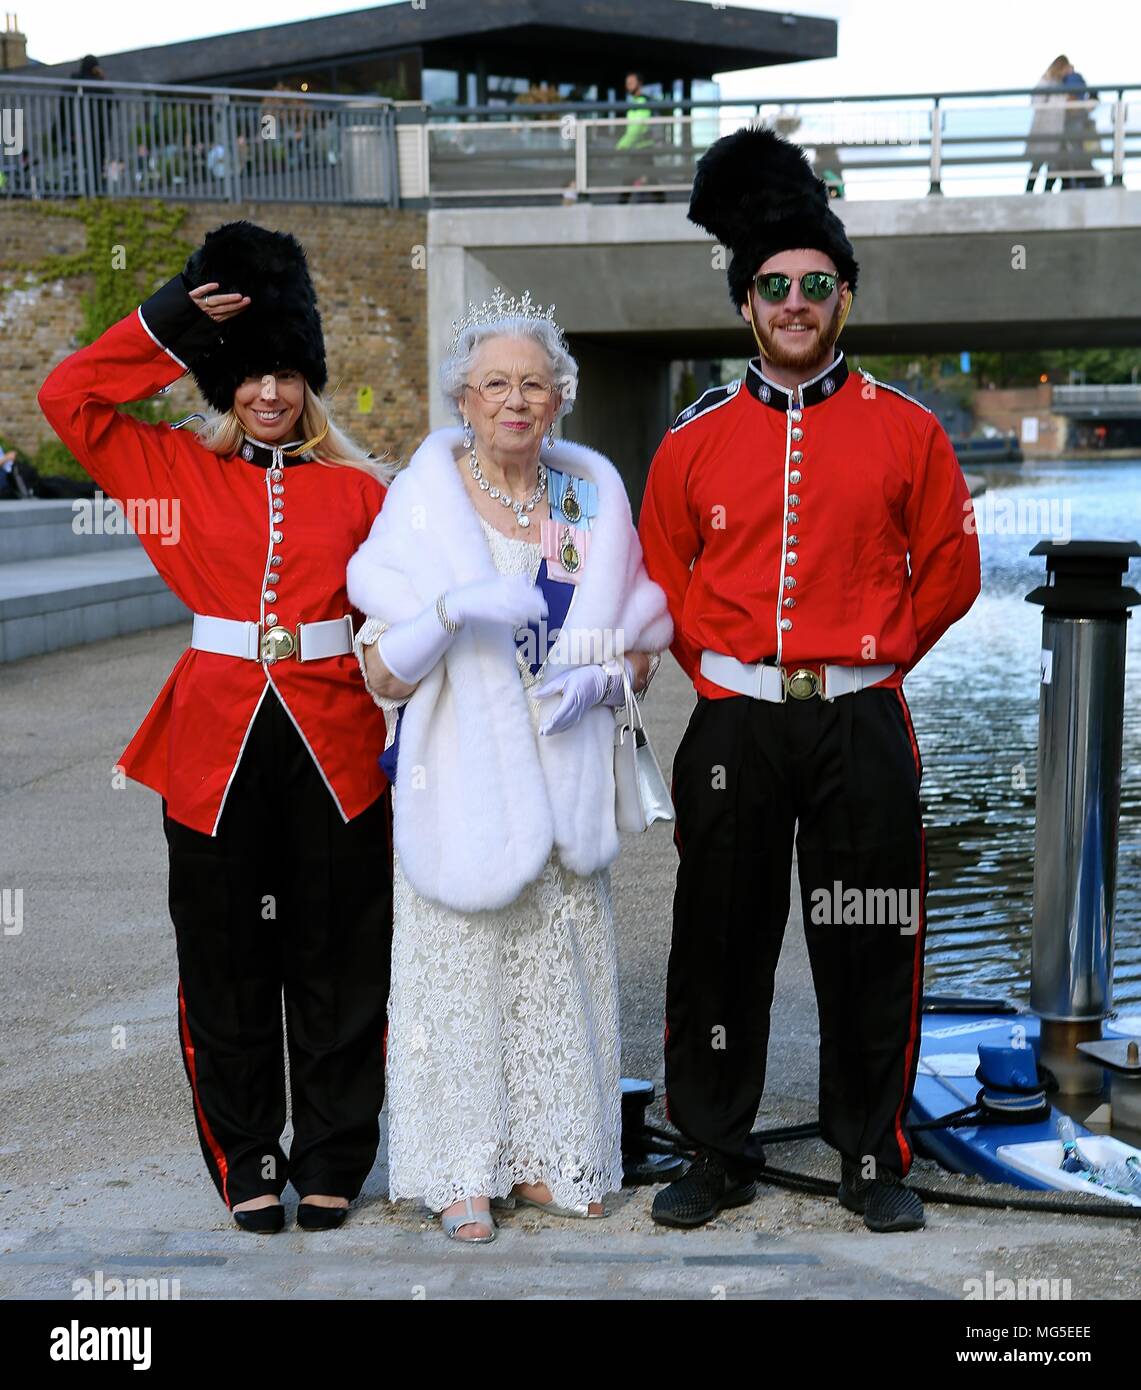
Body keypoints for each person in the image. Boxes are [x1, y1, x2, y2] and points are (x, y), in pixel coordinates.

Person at [638, 128, 981, 1233]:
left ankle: (870, 1153)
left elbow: (954, 572)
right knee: (718, 942)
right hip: (735, 721)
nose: (794, 301)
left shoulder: (911, 431)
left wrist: (872, 664)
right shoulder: (690, 441)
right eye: (773, 285)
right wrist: (723, 671)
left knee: (870, 937)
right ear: (746, 304)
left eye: (814, 285)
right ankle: (716, 1146)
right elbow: (660, 573)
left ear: (844, 298)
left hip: (861, 724)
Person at [38, 221, 394, 1235]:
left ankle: (331, 1152)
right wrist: (170, 319)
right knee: (225, 958)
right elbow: (66, 397)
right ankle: (247, 1153)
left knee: (339, 957)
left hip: (336, 747)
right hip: (213, 745)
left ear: (310, 382)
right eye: (247, 375)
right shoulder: (169, 476)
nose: (269, 394)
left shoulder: (364, 492)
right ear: (220, 385)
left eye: (285, 372)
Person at [346, 287, 672, 1242]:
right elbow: (376, 671)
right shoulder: (422, 503)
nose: (515, 401)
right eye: (495, 384)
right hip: (459, 773)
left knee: (553, 967)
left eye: (534, 382)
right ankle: (459, 1173)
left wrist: (607, 682)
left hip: (563, 767)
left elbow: (644, 636)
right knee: (460, 973)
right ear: (463, 398)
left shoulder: (586, 498)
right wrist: (447, 616)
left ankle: (546, 1157)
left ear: (561, 395)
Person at [1025, 56, 1070, 193]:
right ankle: (1029, 193)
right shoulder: (1045, 81)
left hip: (1056, 131)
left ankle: (1047, 192)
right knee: (1037, 165)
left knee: (1053, 166)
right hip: (1044, 130)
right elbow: (1036, 103)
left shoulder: (1060, 83)